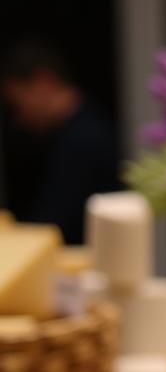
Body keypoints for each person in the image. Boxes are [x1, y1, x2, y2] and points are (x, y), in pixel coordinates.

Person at [0, 39, 119, 243]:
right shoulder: (80, 129)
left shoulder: (84, 138)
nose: (20, 118)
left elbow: (53, 223)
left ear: (43, 82)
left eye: (18, 105)